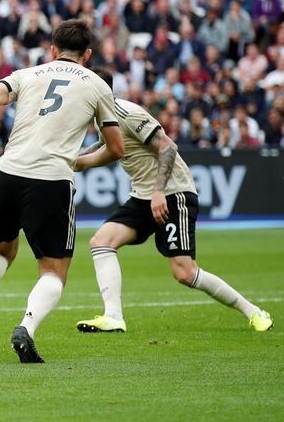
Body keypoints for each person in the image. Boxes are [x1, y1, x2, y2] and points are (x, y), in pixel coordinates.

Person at [0, 19, 125, 363]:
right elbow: (116, 148)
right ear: (88, 54)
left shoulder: (28, 74)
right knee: (53, 269)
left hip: (7, 171)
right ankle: (26, 329)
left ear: (52, 50)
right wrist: (82, 163)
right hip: (51, 179)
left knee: (0, 249)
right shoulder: (97, 85)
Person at [75, 68, 273, 333]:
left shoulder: (127, 113)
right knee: (101, 242)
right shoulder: (105, 119)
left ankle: (253, 311)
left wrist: (159, 192)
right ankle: (113, 317)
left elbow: (168, 147)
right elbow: (106, 149)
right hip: (143, 196)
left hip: (171, 193)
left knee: (185, 272)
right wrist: (69, 159)